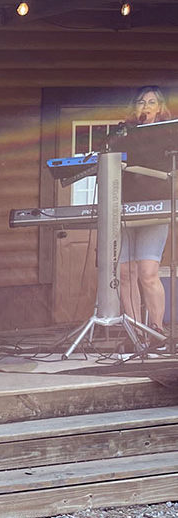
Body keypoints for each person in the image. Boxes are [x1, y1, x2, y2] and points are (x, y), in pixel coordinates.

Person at [115, 85, 177, 341]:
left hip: (154, 207)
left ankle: (156, 331)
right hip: (124, 208)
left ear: (160, 108)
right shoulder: (124, 132)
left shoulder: (170, 132)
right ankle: (135, 331)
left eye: (152, 102)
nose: (146, 106)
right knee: (125, 273)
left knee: (148, 273)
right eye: (141, 102)